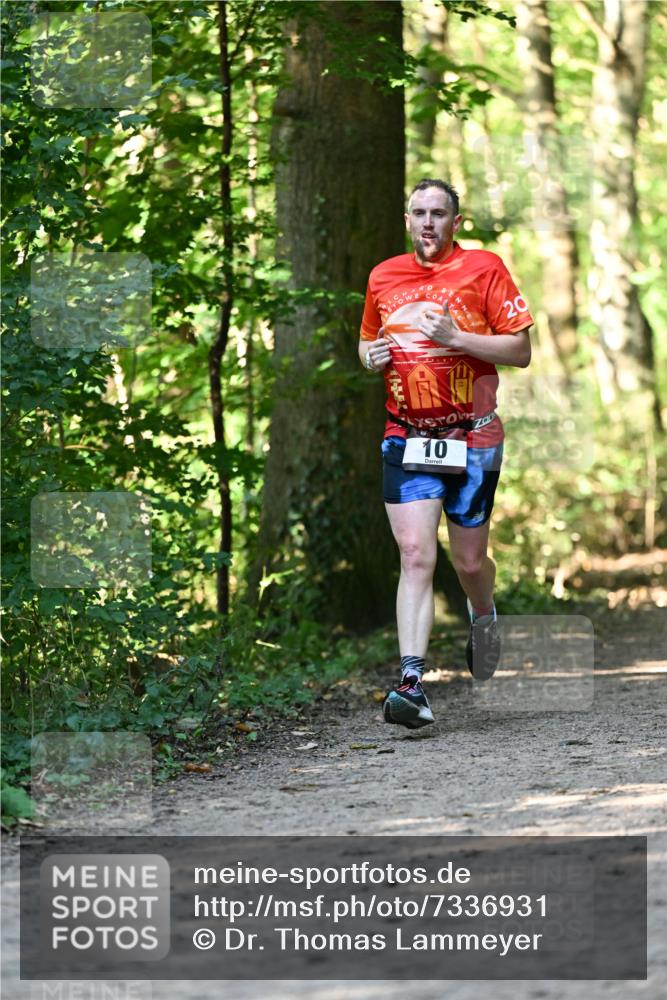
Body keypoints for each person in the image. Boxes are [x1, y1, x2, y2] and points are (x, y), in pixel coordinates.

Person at [358, 179, 533, 729]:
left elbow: (521, 349)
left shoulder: (484, 268)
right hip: (406, 434)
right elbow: (366, 342)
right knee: (415, 556)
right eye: (419, 213)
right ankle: (411, 683)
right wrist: (370, 356)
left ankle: (483, 614)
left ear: (456, 222)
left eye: (439, 213)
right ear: (406, 220)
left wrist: (458, 338)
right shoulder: (383, 276)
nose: (428, 222)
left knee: (469, 563)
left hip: (473, 436)